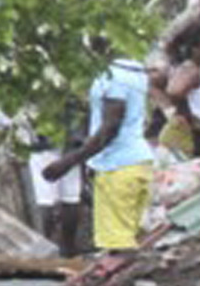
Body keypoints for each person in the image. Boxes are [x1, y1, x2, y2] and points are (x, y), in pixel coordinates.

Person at [44, 47, 158, 254]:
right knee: (129, 239)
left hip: (118, 168)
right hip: (137, 165)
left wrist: (68, 162)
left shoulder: (113, 77)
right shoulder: (136, 73)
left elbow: (110, 128)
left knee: (118, 247)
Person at [153, 23, 200, 159]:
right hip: (196, 138)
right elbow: (174, 91)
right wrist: (185, 116)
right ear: (195, 49)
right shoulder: (191, 70)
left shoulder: (192, 70)